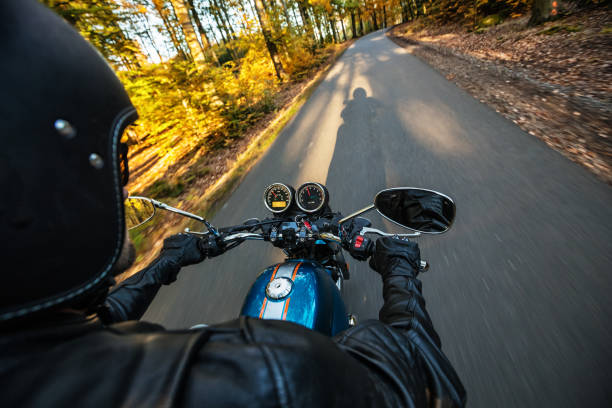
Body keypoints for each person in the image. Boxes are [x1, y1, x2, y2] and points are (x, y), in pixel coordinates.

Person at [0, 1, 466, 406]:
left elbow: (97, 322)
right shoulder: (272, 375)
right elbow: (427, 385)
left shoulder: (33, 360)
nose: (124, 192)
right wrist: (400, 273)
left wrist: (164, 265)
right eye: (118, 169)